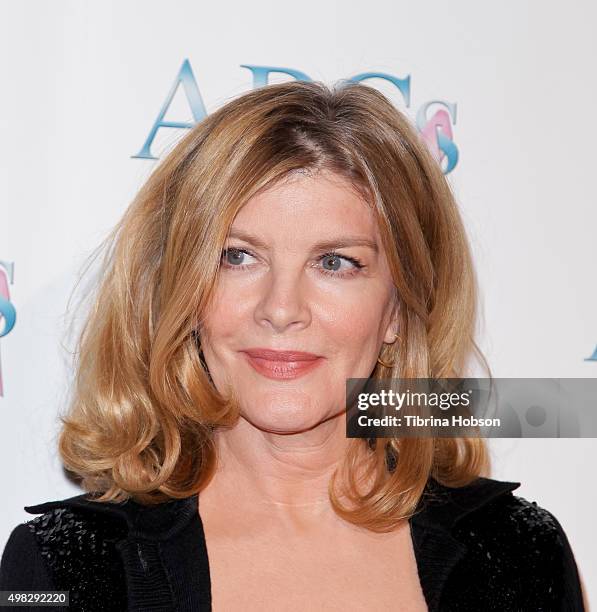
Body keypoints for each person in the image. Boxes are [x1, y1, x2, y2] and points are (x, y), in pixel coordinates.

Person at [0, 80, 587, 611]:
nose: (281, 309)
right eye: (238, 257)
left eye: (335, 263)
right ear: (181, 289)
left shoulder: (518, 555)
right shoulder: (62, 570)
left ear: (399, 307)